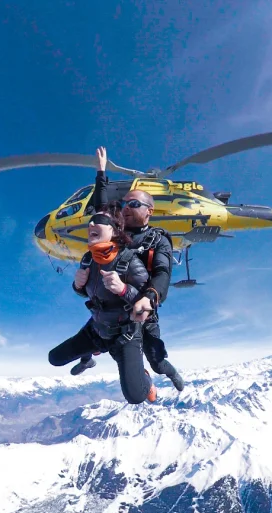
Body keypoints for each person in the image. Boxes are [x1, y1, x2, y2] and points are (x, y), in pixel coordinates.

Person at [70, 147, 185, 392]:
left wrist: (150, 297)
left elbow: (163, 272)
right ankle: (88, 359)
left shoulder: (158, 239)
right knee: (98, 333)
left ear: (149, 211)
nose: (125, 207)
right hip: (114, 304)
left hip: (143, 307)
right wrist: (100, 173)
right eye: (124, 203)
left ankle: (169, 372)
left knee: (156, 359)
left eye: (133, 203)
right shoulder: (117, 233)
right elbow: (101, 209)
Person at [48, 206, 156, 404]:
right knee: (54, 358)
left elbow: (150, 306)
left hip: (125, 334)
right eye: (90, 220)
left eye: (98, 220)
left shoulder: (130, 261)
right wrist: (78, 286)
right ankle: (88, 358)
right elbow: (91, 292)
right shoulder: (88, 260)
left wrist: (123, 289)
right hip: (97, 330)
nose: (90, 223)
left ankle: (146, 378)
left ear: (114, 230)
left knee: (136, 396)